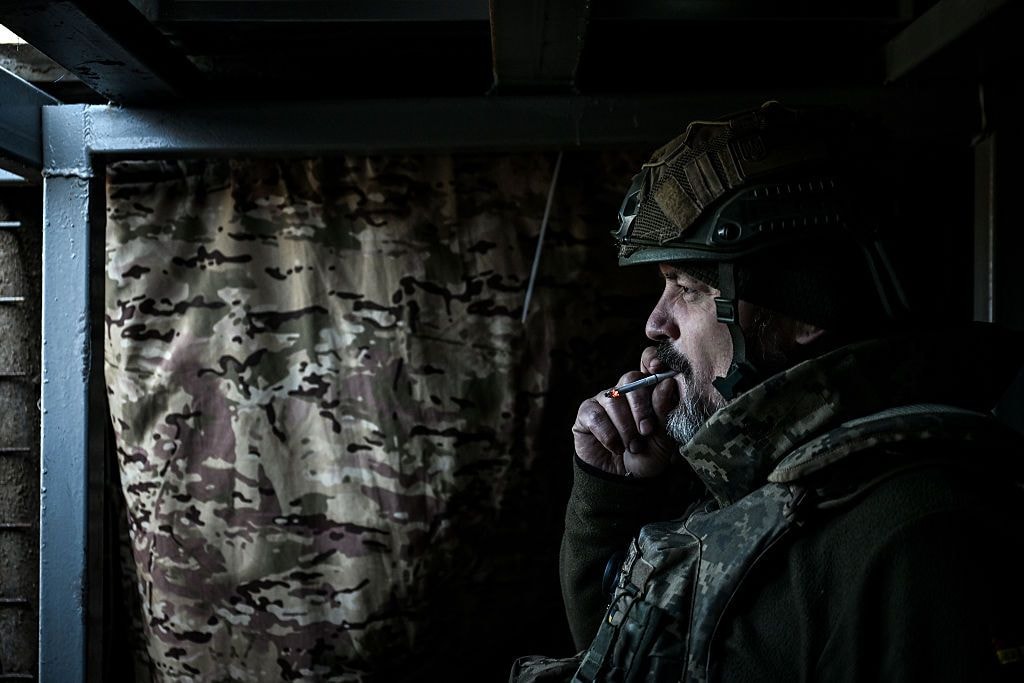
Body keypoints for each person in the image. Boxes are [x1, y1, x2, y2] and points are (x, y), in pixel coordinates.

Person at [511, 102, 1024, 682]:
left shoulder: (916, 534)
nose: (656, 324)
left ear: (800, 313)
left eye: (689, 288)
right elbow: (623, 659)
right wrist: (611, 495)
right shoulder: (763, 472)